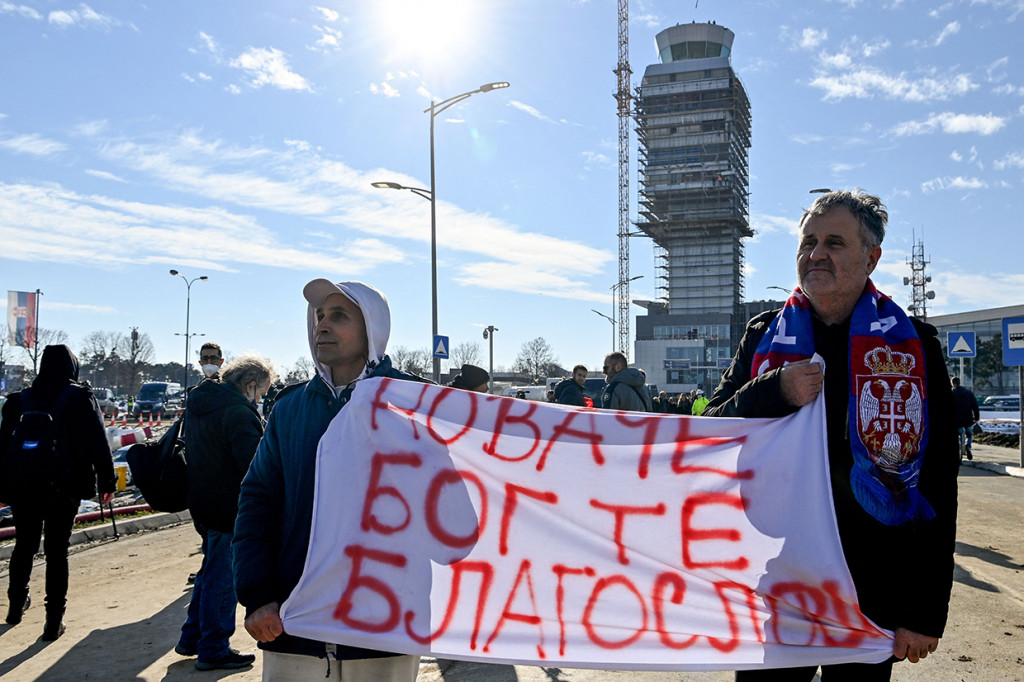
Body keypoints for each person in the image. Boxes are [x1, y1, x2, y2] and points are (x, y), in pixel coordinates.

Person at [703, 190, 958, 680]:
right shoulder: (763, 336)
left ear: (872, 257)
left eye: (834, 243)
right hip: (776, 578)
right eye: (808, 242)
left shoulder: (916, 347)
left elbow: (938, 483)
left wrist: (923, 612)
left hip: (871, 584)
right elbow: (713, 429)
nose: (816, 254)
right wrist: (771, 390)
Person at [233, 279, 427, 681]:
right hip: (293, 627)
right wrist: (258, 596)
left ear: (372, 329)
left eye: (339, 316)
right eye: (320, 316)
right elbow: (258, 503)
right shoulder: (289, 411)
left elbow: (454, 511)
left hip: (382, 632)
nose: (322, 325)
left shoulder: (417, 406)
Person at [0, 345, 116, 640]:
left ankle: (15, 605)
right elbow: (99, 442)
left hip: (23, 486)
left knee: (24, 544)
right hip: (64, 487)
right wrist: (106, 483)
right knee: (56, 551)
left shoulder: (17, 401)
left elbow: (2, 448)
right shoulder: (80, 398)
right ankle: (53, 620)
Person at [176, 354, 277, 671]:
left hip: (203, 504)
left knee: (209, 574)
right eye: (260, 393)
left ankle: (192, 637)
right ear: (249, 385)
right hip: (230, 507)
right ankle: (214, 647)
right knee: (224, 581)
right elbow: (253, 466)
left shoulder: (202, 403)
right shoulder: (237, 412)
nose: (260, 399)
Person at [950, 376, 980, 460]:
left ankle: (959, 451)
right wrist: (976, 417)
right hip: (968, 418)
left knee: (958, 435)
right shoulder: (968, 393)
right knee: (969, 434)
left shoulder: (951, 394)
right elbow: (975, 406)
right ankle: (968, 446)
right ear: (959, 383)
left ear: (952, 383)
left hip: (956, 419)